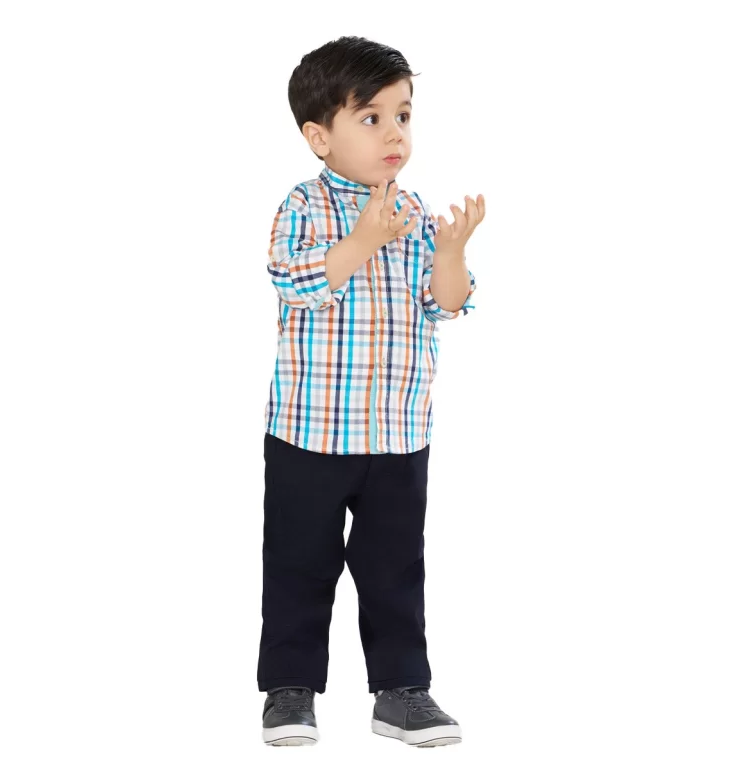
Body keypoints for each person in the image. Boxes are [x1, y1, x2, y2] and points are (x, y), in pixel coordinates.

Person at [257, 35, 486, 748]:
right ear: (319, 137)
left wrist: (452, 253)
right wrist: (360, 240)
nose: (394, 134)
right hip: (311, 431)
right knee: (300, 563)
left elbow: (445, 305)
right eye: (372, 117)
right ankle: (289, 690)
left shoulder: (413, 210)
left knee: (395, 569)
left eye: (403, 116)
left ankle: (401, 691)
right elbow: (293, 281)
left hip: (397, 432)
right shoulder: (303, 204)